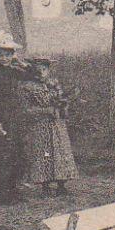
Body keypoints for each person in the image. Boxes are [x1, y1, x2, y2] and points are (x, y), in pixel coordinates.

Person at [0, 31, 31, 204]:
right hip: (0, 117)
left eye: (8, 55)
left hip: (15, 116)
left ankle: (13, 190)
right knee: (2, 154)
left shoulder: (14, 71)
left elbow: (34, 74)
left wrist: (20, 62)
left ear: (12, 55)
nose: (4, 58)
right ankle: (0, 193)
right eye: (1, 55)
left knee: (18, 153)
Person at [18, 57, 78, 194]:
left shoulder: (53, 84)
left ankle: (61, 184)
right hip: (41, 125)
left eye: (44, 70)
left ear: (49, 70)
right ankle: (45, 185)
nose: (41, 73)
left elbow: (62, 100)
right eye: (37, 70)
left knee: (59, 152)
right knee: (44, 153)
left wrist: (63, 105)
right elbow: (27, 110)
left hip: (57, 125)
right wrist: (45, 111)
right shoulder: (28, 87)